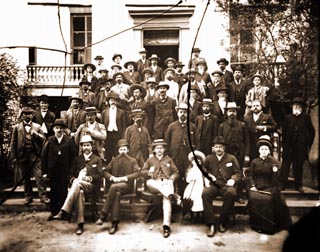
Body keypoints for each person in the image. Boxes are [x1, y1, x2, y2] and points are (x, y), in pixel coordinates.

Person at [53, 135, 103, 235]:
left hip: (91, 187)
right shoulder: (77, 159)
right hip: (79, 186)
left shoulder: (97, 159)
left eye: (88, 145)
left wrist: (90, 178)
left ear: (92, 146)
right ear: (81, 147)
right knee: (79, 191)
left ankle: (64, 210)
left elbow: (100, 175)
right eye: (84, 146)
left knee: (77, 183)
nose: (86, 148)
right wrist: (73, 179)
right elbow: (70, 174)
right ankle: (80, 224)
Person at [247, 135, 292, 234]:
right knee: (255, 198)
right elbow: (250, 175)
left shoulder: (274, 162)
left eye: (265, 149)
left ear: (269, 151)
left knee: (269, 199)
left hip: (270, 185)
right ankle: (257, 224)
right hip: (256, 186)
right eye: (262, 149)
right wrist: (253, 185)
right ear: (259, 151)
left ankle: (267, 226)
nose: (263, 151)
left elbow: (278, 180)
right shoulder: (254, 162)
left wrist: (275, 172)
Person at [95, 139, 140, 234]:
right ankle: (114, 223)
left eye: (124, 149)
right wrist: (111, 178)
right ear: (118, 151)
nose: (123, 152)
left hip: (127, 186)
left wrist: (125, 178)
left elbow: (137, 174)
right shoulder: (114, 160)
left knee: (113, 187)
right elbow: (105, 172)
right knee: (117, 194)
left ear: (128, 150)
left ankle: (103, 214)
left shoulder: (133, 161)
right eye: (121, 150)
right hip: (116, 186)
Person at [202, 136, 242, 237]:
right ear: (213, 148)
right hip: (214, 185)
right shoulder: (209, 158)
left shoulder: (231, 158)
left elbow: (238, 173)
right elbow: (203, 170)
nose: (218, 149)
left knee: (231, 193)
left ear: (224, 148)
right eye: (216, 147)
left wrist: (233, 179)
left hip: (226, 185)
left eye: (220, 147)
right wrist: (208, 176)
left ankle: (222, 221)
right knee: (205, 193)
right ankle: (211, 223)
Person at [10, 107, 48, 205]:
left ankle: (43, 197)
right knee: (25, 177)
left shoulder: (37, 126)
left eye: (29, 114)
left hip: (35, 155)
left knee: (39, 176)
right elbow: (13, 143)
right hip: (22, 155)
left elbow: (44, 139)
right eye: (25, 114)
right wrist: (13, 157)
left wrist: (35, 134)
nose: (27, 116)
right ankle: (28, 197)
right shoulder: (17, 128)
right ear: (22, 115)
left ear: (32, 115)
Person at [41, 119, 77, 221]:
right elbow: (43, 157)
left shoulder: (69, 141)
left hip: (64, 171)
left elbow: (74, 156)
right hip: (53, 171)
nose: (59, 130)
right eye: (57, 128)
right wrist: (44, 172)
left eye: (61, 128)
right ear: (53, 129)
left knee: (63, 191)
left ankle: (64, 212)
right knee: (53, 191)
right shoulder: (49, 140)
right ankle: (53, 212)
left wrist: (72, 171)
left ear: (64, 129)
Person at [142, 139, 179, 238]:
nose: (159, 150)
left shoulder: (168, 159)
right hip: (155, 184)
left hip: (167, 183)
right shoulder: (150, 160)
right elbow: (142, 172)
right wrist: (147, 173)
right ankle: (173, 195)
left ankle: (166, 226)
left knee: (166, 199)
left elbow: (176, 172)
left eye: (161, 148)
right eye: (157, 148)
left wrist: (171, 179)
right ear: (154, 150)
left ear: (164, 149)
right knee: (149, 182)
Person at [280, 97, 315, 192]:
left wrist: (307, 143)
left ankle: (298, 185)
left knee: (298, 166)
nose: (296, 108)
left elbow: (312, 132)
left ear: (301, 108)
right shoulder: (288, 118)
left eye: (298, 106)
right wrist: (284, 145)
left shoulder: (306, 118)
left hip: (300, 147)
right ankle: (282, 184)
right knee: (285, 166)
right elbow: (284, 132)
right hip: (288, 146)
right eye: (294, 106)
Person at [165, 102, 198, 196]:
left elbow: (197, 142)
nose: (183, 114)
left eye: (185, 112)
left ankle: (186, 200)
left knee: (187, 177)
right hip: (175, 156)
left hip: (188, 157)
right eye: (181, 112)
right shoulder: (172, 126)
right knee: (176, 176)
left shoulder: (192, 126)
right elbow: (167, 142)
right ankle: (176, 200)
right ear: (177, 113)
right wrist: (167, 156)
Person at [101, 92, 128, 164]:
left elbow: (124, 125)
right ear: (108, 102)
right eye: (111, 100)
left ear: (117, 102)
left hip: (117, 134)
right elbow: (102, 125)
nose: (113, 102)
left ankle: (118, 166)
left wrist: (123, 136)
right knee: (108, 152)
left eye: (114, 100)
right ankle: (108, 167)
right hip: (108, 133)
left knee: (117, 151)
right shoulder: (104, 112)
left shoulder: (121, 112)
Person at [183, 150, 205, 223]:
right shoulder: (190, 170)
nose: (197, 163)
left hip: (200, 186)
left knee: (199, 200)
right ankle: (192, 215)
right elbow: (187, 179)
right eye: (195, 161)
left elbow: (205, 178)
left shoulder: (202, 170)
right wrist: (191, 178)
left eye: (198, 161)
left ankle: (199, 216)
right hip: (192, 186)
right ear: (192, 162)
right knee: (191, 199)